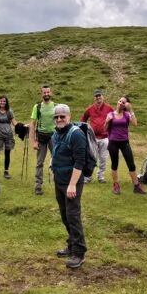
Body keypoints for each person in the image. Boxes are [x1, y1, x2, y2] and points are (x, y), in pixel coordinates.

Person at [50, 104, 87, 269]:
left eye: (62, 116)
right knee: (65, 215)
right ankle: (72, 244)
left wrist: (72, 185)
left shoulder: (77, 135)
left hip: (72, 183)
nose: (59, 119)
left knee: (73, 216)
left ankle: (79, 252)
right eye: (56, 117)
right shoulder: (56, 134)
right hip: (59, 180)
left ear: (69, 117)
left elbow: (80, 162)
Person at [105, 95, 147, 195]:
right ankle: (116, 185)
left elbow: (135, 123)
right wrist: (107, 121)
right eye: (120, 101)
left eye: (123, 102)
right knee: (114, 164)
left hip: (124, 142)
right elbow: (105, 129)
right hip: (113, 142)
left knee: (131, 164)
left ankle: (137, 187)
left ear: (126, 105)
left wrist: (131, 110)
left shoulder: (127, 114)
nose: (121, 103)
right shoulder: (110, 114)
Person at [81, 89, 113, 183]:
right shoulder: (90, 109)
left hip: (105, 137)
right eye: (96, 96)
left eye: (100, 95)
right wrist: (84, 131)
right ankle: (88, 177)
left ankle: (101, 176)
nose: (98, 97)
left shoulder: (109, 108)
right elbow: (83, 119)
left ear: (103, 96)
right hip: (92, 138)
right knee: (91, 158)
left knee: (103, 158)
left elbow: (114, 119)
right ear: (94, 98)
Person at [30, 85, 56, 195]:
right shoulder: (37, 107)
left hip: (54, 136)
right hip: (41, 137)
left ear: (51, 93)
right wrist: (33, 141)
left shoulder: (56, 106)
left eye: (48, 92)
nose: (46, 94)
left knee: (57, 160)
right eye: (44, 92)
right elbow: (32, 124)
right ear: (41, 94)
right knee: (40, 162)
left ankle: (59, 183)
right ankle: (38, 186)